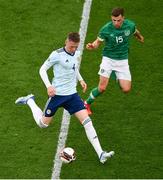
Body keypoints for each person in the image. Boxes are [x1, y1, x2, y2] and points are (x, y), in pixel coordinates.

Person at [15, 32, 114, 163]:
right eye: (72, 46)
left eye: (76, 47)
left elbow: (74, 67)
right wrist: (49, 86)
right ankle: (30, 100)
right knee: (43, 124)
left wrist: (81, 80)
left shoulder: (76, 53)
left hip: (72, 95)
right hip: (57, 95)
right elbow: (42, 70)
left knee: (87, 122)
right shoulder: (56, 55)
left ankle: (101, 153)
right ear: (66, 42)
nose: (74, 49)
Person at [84, 7, 144, 115]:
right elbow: (98, 42)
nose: (116, 23)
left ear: (123, 18)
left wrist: (139, 37)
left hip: (122, 61)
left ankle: (115, 75)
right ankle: (86, 103)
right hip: (108, 59)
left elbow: (135, 31)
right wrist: (92, 46)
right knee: (102, 88)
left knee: (126, 89)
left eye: (118, 20)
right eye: (113, 20)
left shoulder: (129, 25)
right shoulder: (106, 29)